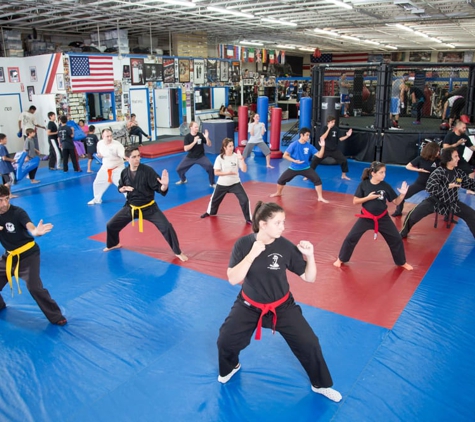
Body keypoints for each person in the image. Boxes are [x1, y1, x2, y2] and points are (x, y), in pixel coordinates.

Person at [216, 201, 342, 402]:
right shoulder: (243, 244)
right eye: (278, 222)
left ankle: (321, 384)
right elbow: (232, 278)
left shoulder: (285, 246)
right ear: (263, 224)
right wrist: (252, 254)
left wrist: (310, 257)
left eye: (284, 222)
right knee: (225, 340)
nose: (283, 227)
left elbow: (309, 278)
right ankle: (232, 366)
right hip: (248, 306)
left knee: (310, 343)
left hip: (282, 307)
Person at [103, 146, 188, 262]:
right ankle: (113, 243)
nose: (137, 159)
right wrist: (122, 189)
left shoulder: (148, 171)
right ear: (126, 158)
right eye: (134, 157)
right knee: (111, 225)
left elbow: (160, 188)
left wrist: (165, 185)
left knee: (167, 227)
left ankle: (178, 251)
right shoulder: (124, 172)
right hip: (131, 207)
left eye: (138, 156)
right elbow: (120, 187)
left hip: (149, 208)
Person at [0, 185, 67, 326]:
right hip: (9, 256)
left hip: (28, 255)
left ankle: (55, 315)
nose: (5, 203)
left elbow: (29, 225)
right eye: (0, 200)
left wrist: (35, 231)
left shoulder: (17, 212)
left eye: (7, 199)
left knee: (34, 287)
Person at [333, 161, 413, 270]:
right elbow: (355, 201)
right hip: (366, 218)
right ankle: (341, 259)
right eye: (381, 172)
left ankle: (402, 262)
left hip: (383, 218)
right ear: (373, 173)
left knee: (396, 239)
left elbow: (396, 202)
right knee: (351, 237)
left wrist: (402, 194)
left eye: (384, 172)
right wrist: (368, 198)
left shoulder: (385, 186)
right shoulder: (364, 185)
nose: (384, 175)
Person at [400, 147, 475, 239]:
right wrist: (447, 187)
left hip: (453, 202)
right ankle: (403, 232)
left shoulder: (458, 173)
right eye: (455, 156)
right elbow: (430, 188)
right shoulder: (438, 172)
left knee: (472, 215)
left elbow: (470, 184)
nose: (458, 158)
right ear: (448, 159)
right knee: (413, 215)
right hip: (435, 202)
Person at [270, 127, 329, 203]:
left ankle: (320, 197)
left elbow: (320, 155)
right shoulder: (294, 144)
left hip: (306, 168)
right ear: (301, 135)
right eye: (307, 135)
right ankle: (278, 193)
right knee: (280, 180)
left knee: (317, 180)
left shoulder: (309, 146)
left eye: (309, 135)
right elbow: (285, 155)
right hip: (294, 168)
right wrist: (294, 160)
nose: (308, 137)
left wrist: (323, 146)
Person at [201, 138, 251, 223]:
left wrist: (242, 160)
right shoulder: (220, 158)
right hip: (222, 184)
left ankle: (248, 219)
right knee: (214, 199)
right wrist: (227, 172)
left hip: (235, 183)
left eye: (232, 145)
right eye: (230, 146)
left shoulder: (236, 156)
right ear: (225, 147)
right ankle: (210, 212)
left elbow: (244, 170)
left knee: (245, 200)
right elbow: (216, 172)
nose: (232, 148)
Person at [392, 141, 440, 217]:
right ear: (432, 151)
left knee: (444, 196)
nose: (438, 152)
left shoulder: (438, 160)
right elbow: (408, 166)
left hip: (434, 184)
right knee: (403, 195)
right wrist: (419, 170)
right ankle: (398, 211)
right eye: (437, 151)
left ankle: (445, 214)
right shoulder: (421, 158)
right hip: (420, 183)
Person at [87, 128, 125, 205]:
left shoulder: (117, 145)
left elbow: (123, 154)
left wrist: (127, 157)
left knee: (124, 185)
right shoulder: (100, 144)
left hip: (118, 168)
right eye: (107, 136)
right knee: (97, 183)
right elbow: (100, 154)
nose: (110, 138)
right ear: (102, 136)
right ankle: (97, 199)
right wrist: (100, 156)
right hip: (105, 168)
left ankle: (132, 200)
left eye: (111, 136)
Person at [310, 115, 352, 180]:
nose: (333, 123)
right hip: (325, 149)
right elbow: (322, 138)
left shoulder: (336, 129)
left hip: (334, 150)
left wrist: (347, 136)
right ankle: (309, 175)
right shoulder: (324, 128)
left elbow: (340, 139)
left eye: (334, 122)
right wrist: (329, 128)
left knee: (344, 160)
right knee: (315, 160)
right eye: (332, 122)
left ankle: (343, 175)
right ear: (328, 122)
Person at [175, 121, 215, 187]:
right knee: (179, 169)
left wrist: (207, 138)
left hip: (201, 157)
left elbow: (209, 144)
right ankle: (183, 179)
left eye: (197, 127)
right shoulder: (187, 137)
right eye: (195, 127)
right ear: (191, 128)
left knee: (210, 167)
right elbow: (186, 149)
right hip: (190, 157)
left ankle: (212, 183)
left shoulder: (200, 135)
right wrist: (194, 142)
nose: (197, 128)